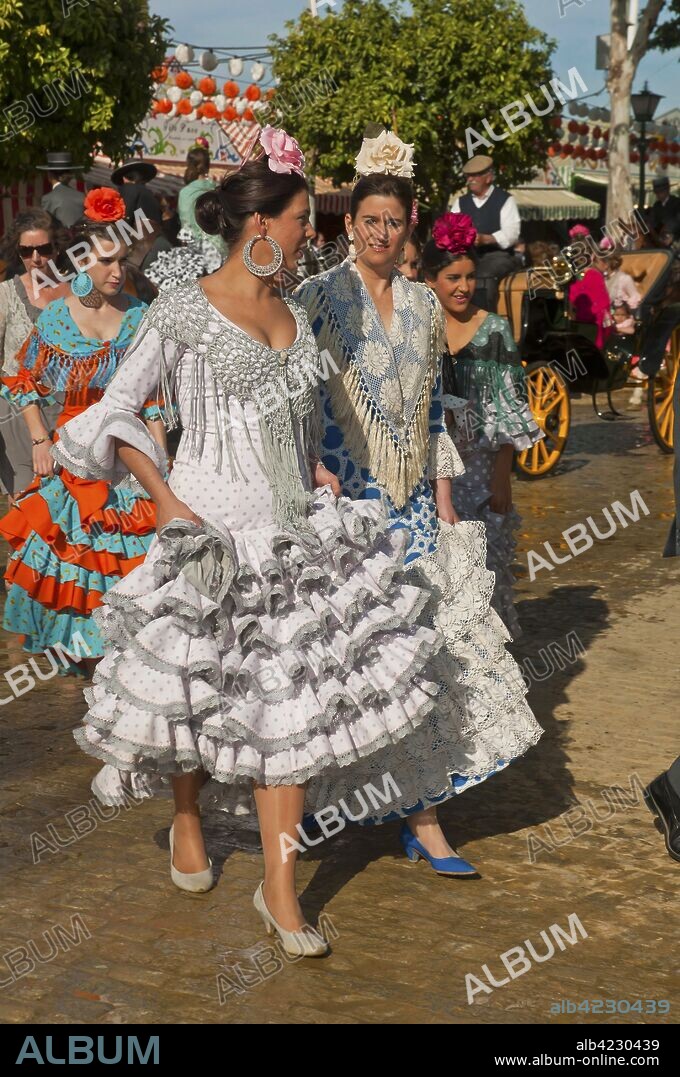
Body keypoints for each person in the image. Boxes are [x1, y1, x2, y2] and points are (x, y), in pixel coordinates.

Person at [54, 128, 461, 957]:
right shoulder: (181, 311)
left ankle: (279, 889)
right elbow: (110, 415)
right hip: (206, 526)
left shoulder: (294, 316)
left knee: (289, 708)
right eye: (306, 218)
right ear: (259, 225)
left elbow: (296, 421)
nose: (313, 232)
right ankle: (186, 816)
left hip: (290, 531)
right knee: (193, 693)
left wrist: (314, 469)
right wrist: (164, 499)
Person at [295, 130, 541, 876]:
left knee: (425, 658)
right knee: (340, 662)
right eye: (369, 219)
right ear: (350, 224)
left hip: (408, 505)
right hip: (341, 504)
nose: (380, 232)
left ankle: (425, 819)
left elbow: (434, 408)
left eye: (393, 222)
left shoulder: (425, 307)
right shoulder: (314, 298)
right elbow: (298, 402)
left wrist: (444, 502)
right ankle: (321, 806)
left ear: (409, 229)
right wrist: (310, 471)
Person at [0, 189, 164, 669]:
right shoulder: (56, 317)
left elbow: (151, 397)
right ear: (81, 264)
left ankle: (124, 660)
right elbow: (21, 379)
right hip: (75, 454)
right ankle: (90, 660)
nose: (118, 272)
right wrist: (39, 439)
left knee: (129, 555)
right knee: (79, 559)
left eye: (122, 261)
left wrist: (162, 459)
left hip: (130, 454)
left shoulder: (138, 315)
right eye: (107, 262)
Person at [422, 212, 543, 638]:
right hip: (432, 468)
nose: (463, 287)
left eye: (470, 277)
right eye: (453, 277)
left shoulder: (494, 330)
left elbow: (512, 408)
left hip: (480, 468)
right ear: (430, 278)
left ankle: (491, 655)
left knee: (485, 566)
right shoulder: (420, 327)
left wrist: (502, 479)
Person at [0, 209, 69, 498]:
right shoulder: (5, 294)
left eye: (44, 249)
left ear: (57, 247)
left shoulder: (77, 292)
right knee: (30, 511)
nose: (36, 259)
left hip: (70, 412)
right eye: (26, 251)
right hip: (17, 415)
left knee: (72, 511)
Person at [450, 155, 521, 312]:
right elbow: (451, 227)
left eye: (475, 176)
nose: (470, 179)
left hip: (498, 255)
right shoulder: (461, 202)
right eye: (468, 176)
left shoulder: (505, 200)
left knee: (483, 275)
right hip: (467, 255)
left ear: (489, 177)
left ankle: (485, 323)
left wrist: (486, 239)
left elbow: (512, 233)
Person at [177, 145, 228, 259]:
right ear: (208, 166)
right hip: (220, 249)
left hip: (195, 250)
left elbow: (186, 226)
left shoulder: (186, 193)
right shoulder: (218, 189)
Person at [38, 151, 85, 229]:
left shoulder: (49, 198)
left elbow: (45, 225)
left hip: (61, 239)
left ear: (49, 175)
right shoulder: (82, 196)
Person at [111, 158, 162, 225]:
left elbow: (125, 221)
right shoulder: (150, 194)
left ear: (123, 178)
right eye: (131, 176)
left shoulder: (129, 189)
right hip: (150, 233)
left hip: (134, 233)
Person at [647, 176, 680, 249]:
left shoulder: (677, 203)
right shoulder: (656, 205)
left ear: (667, 190)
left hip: (675, 241)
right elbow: (651, 222)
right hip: (659, 242)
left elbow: (677, 221)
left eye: (660, 192)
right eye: (656, 192)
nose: (658, 195)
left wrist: (672, 235)